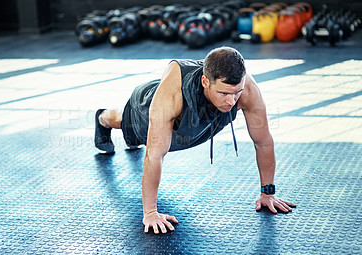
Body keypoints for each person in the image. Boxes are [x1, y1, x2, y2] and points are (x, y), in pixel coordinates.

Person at [94, 46, 296, 234]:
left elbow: (263, 141)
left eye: (236, 93)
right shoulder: (172, 95)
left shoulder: (246, 89)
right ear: (205, 82)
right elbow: (154, 155)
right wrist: (150, 213)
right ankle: (103, 118)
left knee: (147, 140)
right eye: (224, 93)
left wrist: (267, 193)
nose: (231, 101)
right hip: (146, 107)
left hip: (195, 121)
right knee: (127, 125)